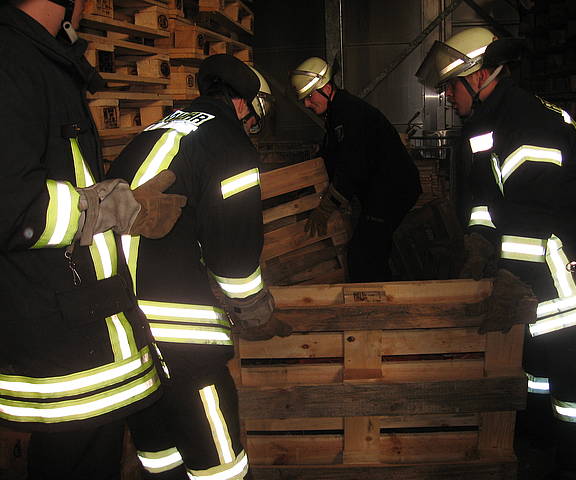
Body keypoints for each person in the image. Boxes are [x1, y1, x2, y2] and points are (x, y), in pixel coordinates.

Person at [417, 27, 576, 478]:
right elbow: (486, 194)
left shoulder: (529, 126)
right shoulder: (486, 125)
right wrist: (477, 240)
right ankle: (538, 447)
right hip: (542, 282)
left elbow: (531, 223)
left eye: (452, 86)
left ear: (480, 78)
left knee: (575, 398)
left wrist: (508, 280)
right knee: (535, 374)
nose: (447, 96)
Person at [0, 0, 188, 478]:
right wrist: (110, 209)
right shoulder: (14, 61)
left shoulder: (37, 59)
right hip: (62, 347)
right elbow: (11, 206)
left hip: (77, 331)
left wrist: (117, 206)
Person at [108, 54, 290, 479]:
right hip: (183, 338)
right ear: (244, 104)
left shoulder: (158, 131)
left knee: (160, 456)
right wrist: (254, 311)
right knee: (220, 466)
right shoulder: (228, 142)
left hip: (122, 330)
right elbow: (234, 254)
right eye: (254, 119)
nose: (252, 128)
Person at [290, 57, 422, 282]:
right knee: (372, 249)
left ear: (327, 89)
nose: (307, 105)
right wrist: (305, 190)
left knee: (362, 254)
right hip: (384, 189)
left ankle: (374, 300)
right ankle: (382, 292)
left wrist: (326, 207)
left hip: (393, 190)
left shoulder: (349, 114)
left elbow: (351, 166)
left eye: (310, 97)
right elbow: (331, 156)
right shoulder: (338, 114)